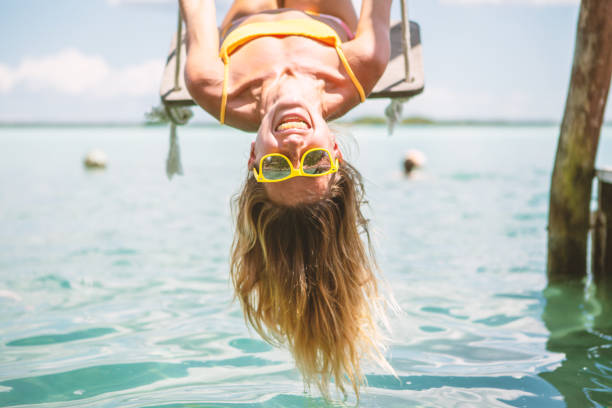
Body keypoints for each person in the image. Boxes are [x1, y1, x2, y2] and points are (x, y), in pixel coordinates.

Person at [178, 0, 395, 398]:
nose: (294, 146)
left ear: (253, 158)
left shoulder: (210, 85)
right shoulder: (360, 67)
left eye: (277, 167)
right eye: (314, 162)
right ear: (335, 150)